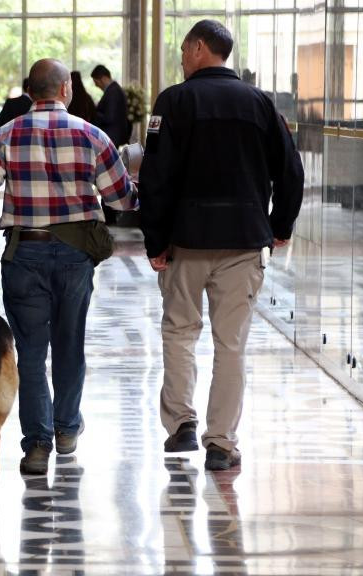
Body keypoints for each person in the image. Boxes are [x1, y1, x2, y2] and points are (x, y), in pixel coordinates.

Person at [138, 20, 304, 471]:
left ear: (197, 48)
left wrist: (155, 240)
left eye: (183, 50)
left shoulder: (173, 102)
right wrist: (279, 225)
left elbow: (154, 177)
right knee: (231, 344)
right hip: (244, 243)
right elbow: (291, 171)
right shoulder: (260, 104)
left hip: (185, 242)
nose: (180, 58)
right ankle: (221, 443)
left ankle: (182, 427)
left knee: (179, 333)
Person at [0, 58, 139, 476]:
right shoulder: (91, 135)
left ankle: (37, 445)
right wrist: (136, 177)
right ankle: (65, 429)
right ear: (65, 91)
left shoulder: (4, 136)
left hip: (23, 254)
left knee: (29, 351)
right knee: (69, 343)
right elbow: (122, 201)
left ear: (30, 92)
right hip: (74, 258)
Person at [91, 65, 130, 225]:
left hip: (111, 137)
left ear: (102, 78)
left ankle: (109, 214)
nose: (96, 86)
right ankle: (109, 213)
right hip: (114, 137)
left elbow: (110, 117)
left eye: (96, 82)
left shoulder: (113, 92)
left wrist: (94, 112)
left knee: (107, 178)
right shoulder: (114, 90)